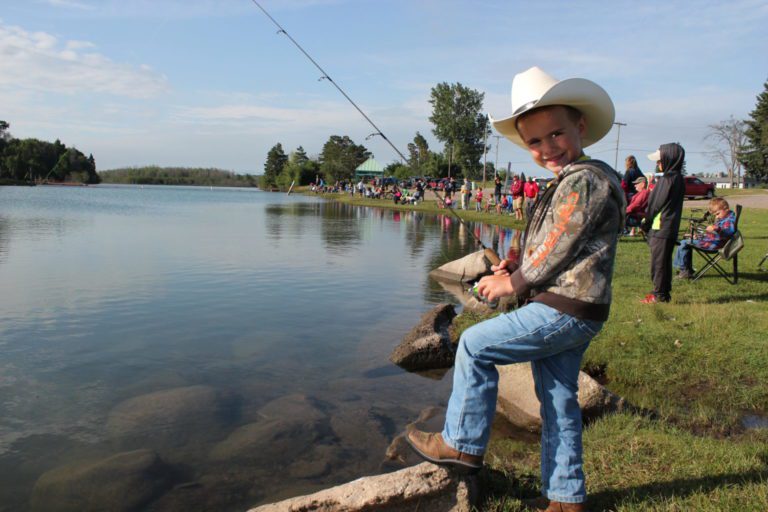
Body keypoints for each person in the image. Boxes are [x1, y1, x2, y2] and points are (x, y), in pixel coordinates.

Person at [406, 66, 624, 512]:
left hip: (566, 306)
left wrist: (515, 280)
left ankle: (462, 443)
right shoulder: (570, 181)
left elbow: (561, 241)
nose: (547, 148)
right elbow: (549, 244)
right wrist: (514, 262)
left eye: (556, 134)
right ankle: (565, 498)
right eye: (535, 142)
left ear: (581, 127)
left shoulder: (586, 179)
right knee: (559, 400)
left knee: (474, 345)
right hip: (577, 307)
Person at [640, 143, 686, 304]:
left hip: (660, 228)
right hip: (669, 228)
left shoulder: (667, 179)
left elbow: (655, 205)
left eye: (660, 161)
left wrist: (646, 223)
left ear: (669, 159)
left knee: (658, 264)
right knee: (664, 263)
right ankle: (663, 294)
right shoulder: (678, 178)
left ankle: (658, 295)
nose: (657, 164)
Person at [673, 197, 736, 278]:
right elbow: (713, 235)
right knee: (686, 242)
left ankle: (684, 270)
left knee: (683, 243)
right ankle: (687, 269)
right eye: (715, 215)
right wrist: (699, 237)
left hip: (714, 245)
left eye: (717, 214)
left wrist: (716, 228)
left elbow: (728, 232)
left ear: (726, 209)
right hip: (711, 242)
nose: (716, 217)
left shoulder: (729, 220)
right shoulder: (725, 218)